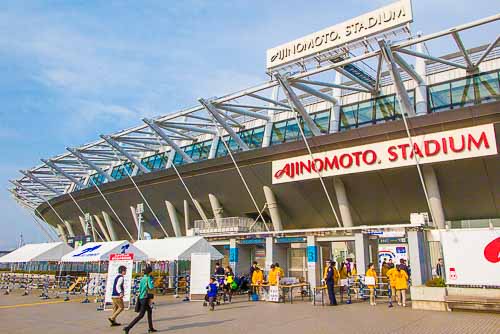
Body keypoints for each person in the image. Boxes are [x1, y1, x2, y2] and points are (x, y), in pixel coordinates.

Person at [123, 266, 157, 334]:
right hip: (145, 298)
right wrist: (152, 282)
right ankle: (128, 328)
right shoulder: (148, 278)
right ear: (150, 272)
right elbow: (151, 287)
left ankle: (151, 328)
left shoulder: (143, 278)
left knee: (149, 311)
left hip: (141, 297)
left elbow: (140, 289)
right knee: (141, 315)